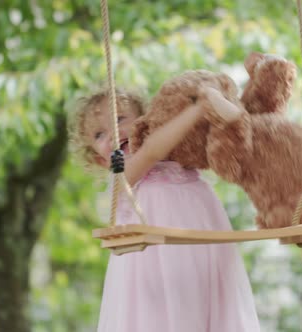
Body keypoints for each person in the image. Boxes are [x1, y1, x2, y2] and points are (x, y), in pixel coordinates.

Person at [68, 87, 260, 332]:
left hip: (204, 257)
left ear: (146, 122)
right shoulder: (122, 182)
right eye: (99, 134)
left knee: (210, 311)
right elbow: (151, 151)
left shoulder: (180, 159)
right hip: (157, 276)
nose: (114, 134)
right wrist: (198, 108)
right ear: (99, 160)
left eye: (119, 119)